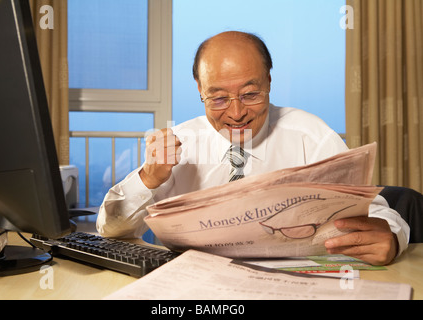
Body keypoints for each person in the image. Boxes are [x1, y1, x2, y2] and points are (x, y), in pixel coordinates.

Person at [97, 31, 409, 266]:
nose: (236, 114)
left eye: (250, 94)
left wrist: (392, 238)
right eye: (218, 99)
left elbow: (379, 213)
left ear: (268, 82)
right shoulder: (180, 143)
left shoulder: (309, 134)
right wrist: (148, 179)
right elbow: (108, 229)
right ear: (199, 90)